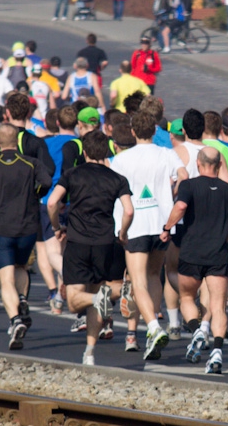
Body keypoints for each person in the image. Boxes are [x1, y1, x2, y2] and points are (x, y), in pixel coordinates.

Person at [49, 129, 133, 365]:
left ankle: (99, 301)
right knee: (100, 295)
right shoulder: (117, 178)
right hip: (106, 242)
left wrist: (57, 226)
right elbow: (128, 210)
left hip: (78, 243)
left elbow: (53, 202)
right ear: (105, 150)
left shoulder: (72, 174)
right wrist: (123, 233)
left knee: (76, 301)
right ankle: (89, 351)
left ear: (84, 152)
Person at [109, 111, 188, 360]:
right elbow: (184, 174)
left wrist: (119, 229)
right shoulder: (166, 153)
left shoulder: (121, 159)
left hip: (135, 224)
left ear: (132, 132)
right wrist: (173, 190)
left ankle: (153, 328)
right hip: (161, 223)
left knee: (138, 280)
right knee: (155, 275)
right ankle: (152, 328)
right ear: (155, 131)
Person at [161, 146, 228, 375]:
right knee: (218, 306)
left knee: (186, 296)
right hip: (217, 254)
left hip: (191, 252)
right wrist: (223, 237)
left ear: (198, 163)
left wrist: (167, 227)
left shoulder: (189, 185)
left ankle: (196, 330)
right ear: (219, 165)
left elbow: (181, 206)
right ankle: (216, 352)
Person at [0, 123, 52, 349]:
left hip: (2, 228)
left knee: (5, 278)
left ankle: (15, 319)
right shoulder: (31, 163)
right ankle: (23, 299)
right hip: (27, 227)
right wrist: (35, 195)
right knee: (21, 266)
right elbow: (46, 182)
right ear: (17, 140)